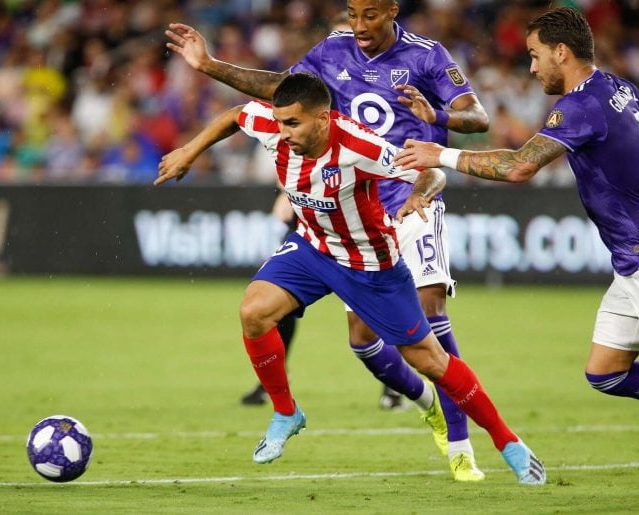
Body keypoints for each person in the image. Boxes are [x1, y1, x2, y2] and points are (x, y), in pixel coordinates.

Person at [394, 6, 639, 474]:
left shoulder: (580, 105)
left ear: (562, 52)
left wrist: (441, 153)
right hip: (637, 262)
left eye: (537, 56)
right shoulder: (617, 88)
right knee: (605, 372)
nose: (533, 67)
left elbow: (519, 166)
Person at [155, 72, 546, 485]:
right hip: (312, 248)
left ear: (323, 119)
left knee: (430, 360)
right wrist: (188, 151)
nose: (282, 132)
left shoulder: (359, 146)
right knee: (254, 311)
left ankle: (509, 443)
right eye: (280, 121)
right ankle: (286, 412)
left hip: (370, 265)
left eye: (293, 124)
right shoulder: (274, 124)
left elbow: (431, 172)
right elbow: (236, 114)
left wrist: (419, 195)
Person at [240, 191, 300, 405]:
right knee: (277, 308)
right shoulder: (290, 159)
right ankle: (275, 380)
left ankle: (393, 385)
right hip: (307, 230)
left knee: (364, 322)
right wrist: (286, 192)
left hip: (351, 231)